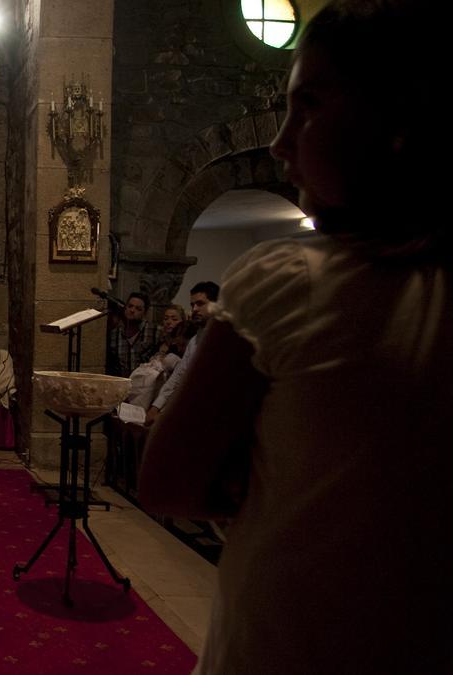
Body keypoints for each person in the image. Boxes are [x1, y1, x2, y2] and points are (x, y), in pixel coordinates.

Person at [140, 2, 450, 672]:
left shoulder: (286, 282)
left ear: (397, 117)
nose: (280, 143)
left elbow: (165, 481)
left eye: (307, 105)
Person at [144, 281, 218, 425]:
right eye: (192, 305)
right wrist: (155, 408)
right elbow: (178, 376)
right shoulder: (195, 341)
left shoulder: (228, 338)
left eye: (200, 303)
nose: (195, 309)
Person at [106, 291, 158, 377]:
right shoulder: (115, 333)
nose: (132, 310)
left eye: (138, 309)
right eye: (130, 306)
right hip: (123, 381)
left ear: (145, 313)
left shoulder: (154, 331)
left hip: (145, 383)